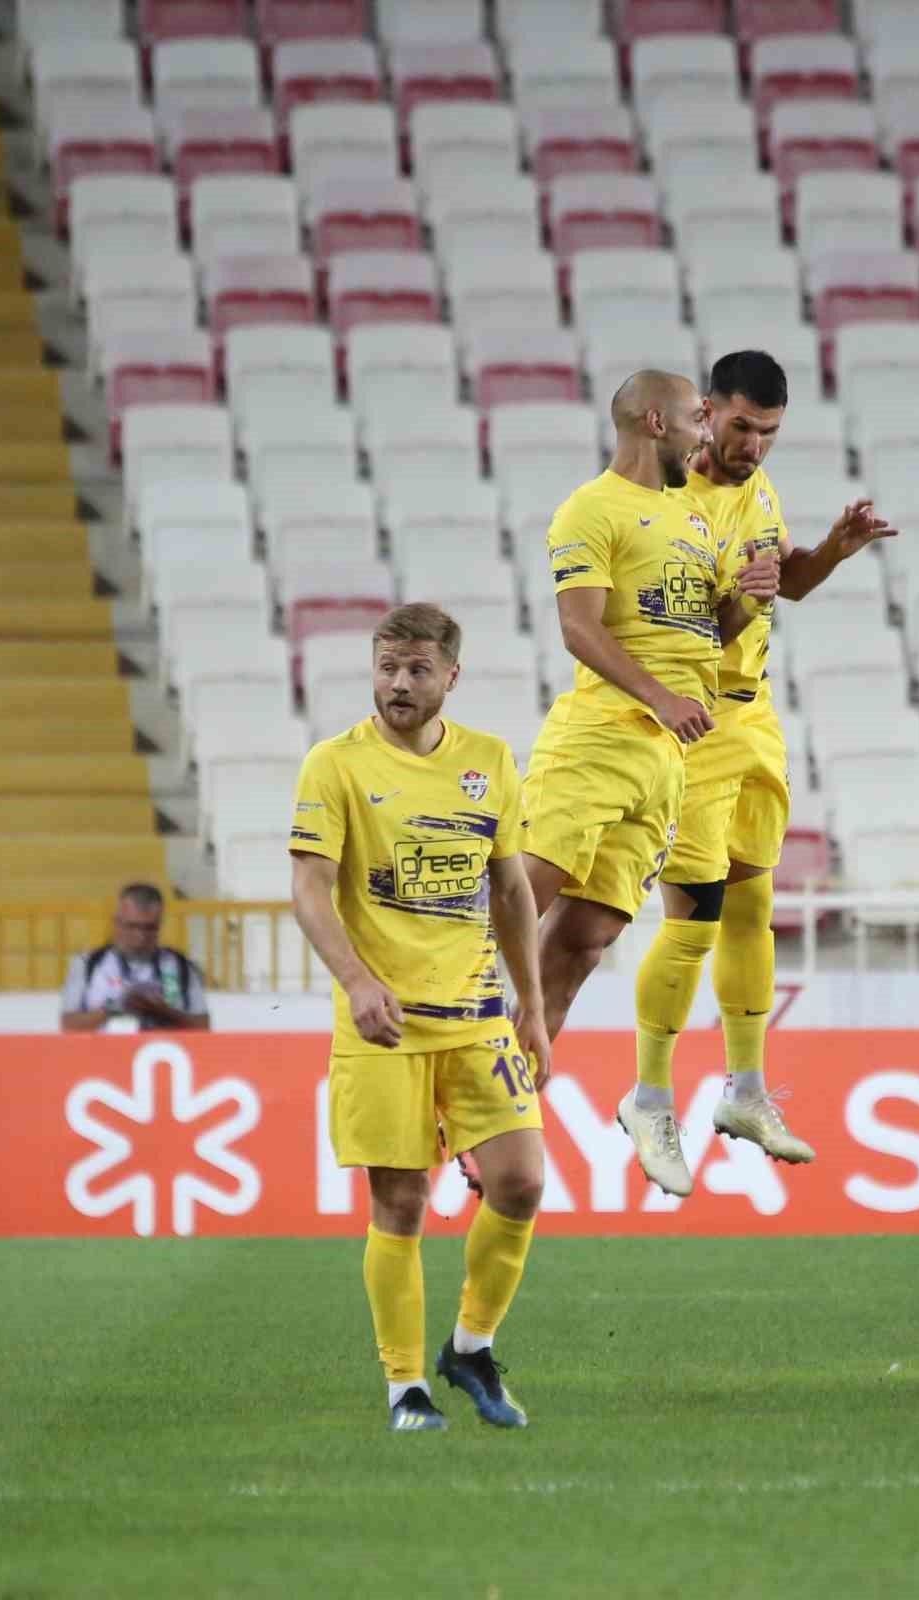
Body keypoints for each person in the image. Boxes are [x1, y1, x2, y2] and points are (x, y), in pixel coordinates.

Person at [629, 350, 897, 1196]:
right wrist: (744, 597)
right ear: (704, 412)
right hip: (693, 720)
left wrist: (832, 553)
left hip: (753, 718)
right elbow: (684, 626)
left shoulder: (759, 490)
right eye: (741, 426)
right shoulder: (667, 503)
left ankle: (743, 1090)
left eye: (770, 433)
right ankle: (650, 1097)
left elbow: (786, 586)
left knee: (752, 910)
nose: (754, 445)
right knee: (693, 920)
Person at [290, 603, 552, 1436]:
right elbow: (308, 888)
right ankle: (405, 1387)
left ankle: (470, 1346)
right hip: (385, 1026)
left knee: (522, 1181)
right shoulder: (333, 766)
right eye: (386, 668)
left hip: (477, 1018)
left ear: (449, 676)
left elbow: (510, 889)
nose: (398, 684)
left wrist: (533, 1008)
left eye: (415, 670)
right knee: (400, 1206)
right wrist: (357, 982)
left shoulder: (489, 761)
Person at [519, 369, 780, 1069]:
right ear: (656, 424)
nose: (707, 434)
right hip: (600, 738)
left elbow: (702, 631)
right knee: (519, 897)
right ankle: (436, 1036)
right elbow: (579, 628)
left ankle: (500, 1094)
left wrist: (748, 601)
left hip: (666, 760)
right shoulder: (590, 509)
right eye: (698, 420)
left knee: (586, 939)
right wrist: (660, 697)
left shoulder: (690, 519)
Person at [60, 883, 210, 1032]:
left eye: (149, 928)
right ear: (116, 923)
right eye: (132, 926)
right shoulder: (88, 964)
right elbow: (69, 1025)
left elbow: (203, 1026)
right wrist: (113, 1009)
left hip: (159, 1053)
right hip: (103, 1053)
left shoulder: (181, 966)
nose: (141, 936)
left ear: (159, 925)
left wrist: (165, 1012)